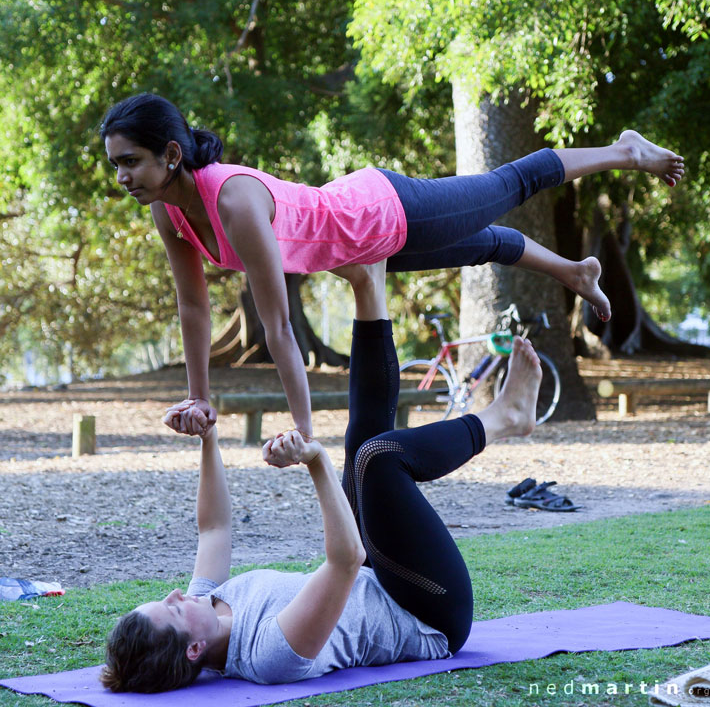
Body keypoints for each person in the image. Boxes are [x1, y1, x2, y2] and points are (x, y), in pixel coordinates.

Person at [101, 93, 685, 439]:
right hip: (362, 245)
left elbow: (279, 328)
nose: (123, 177)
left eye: (131, 162)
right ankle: (573, 273)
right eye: (116, 165)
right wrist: (199, 396)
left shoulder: (232, 199)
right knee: (483, 244)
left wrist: (305, 433)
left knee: (511, 182)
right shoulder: (169, 213)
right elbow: (194, 306)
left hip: (383, 210)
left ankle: (625, 151)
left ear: (171, 154)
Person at [100, 259, 545, 692]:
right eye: (172, 610)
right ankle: (505, 418)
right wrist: (315, 461)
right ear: (195, 650)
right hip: (427, 611)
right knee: (377, 460)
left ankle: (369, 284)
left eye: (165, 598)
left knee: (362, 443)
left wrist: (208, 437)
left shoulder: (208, 603)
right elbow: (347, 559)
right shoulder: (268, 655)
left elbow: (214, 528)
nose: (176, 593)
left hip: (381, 577)